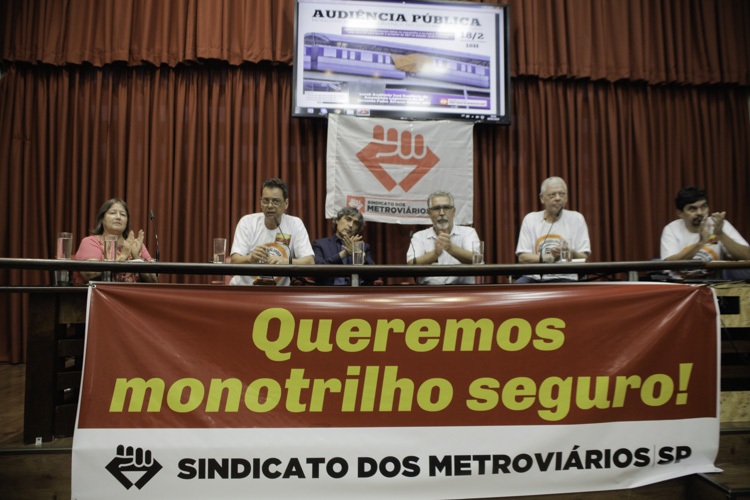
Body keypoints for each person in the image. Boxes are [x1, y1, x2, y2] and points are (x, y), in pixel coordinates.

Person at [229, 178, 315, 285]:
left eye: (276, 201)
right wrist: (250, 258)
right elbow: (234, 261)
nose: (270, 206)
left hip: (279, 292)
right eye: (265, 200)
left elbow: (309, 261)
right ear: (260, 202)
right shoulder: (247, 222)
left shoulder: (295, 224)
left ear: (286, 203)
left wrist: (285, 261)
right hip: (246, 289)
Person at [660, 186, 750, 279]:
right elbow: (669, 265)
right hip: (682, 284)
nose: (700, 212)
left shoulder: (718, 224)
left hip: (714, 285)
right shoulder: (671, 229)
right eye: (692, 209)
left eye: (703, 207)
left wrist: (720, 234)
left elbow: (747, 256)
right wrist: (701, 243)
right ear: (680, 213)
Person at [515, 176, 591, 283]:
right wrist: (549, 257)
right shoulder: (530, 219)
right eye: (552, 195)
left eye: (562, 194)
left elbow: (584, 257)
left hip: (565, 277)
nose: (558, 198)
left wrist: (569, 252)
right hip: (533, 277)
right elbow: (522, 258)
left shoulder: (577, 219)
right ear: (542, 198)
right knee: (517, 288)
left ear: (566, 197)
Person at [75, 198, 158, 283]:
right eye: (112, 213)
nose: (118, 217)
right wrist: (123, 256)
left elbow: (153, 280)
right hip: (102, 291)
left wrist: (137, 258)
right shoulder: (91, 242)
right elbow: (91, 274)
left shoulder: (136, 245)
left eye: (123, 214)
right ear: (102, 219)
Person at [406, 190, 480, 285]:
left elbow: (477, 260)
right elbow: (411, 265)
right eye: (436, 208)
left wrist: (451, 248)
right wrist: (435, 254)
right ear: (429, 213)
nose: (441, 213)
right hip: (430, 290)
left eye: (446, 208)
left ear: (453, 211)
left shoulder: (468, 233)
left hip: (462, 290)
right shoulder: (419, 236)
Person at [313, 207, 377, 285]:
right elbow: (317, 271)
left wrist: (358, 255)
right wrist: (344, 254)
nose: (351, 225)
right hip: (329, 290)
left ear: (358, 229)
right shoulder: (320, 244)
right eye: (348, 219)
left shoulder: (363, 247)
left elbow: (374, 276)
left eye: (356, 223)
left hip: (356, 290)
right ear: (337, 220)